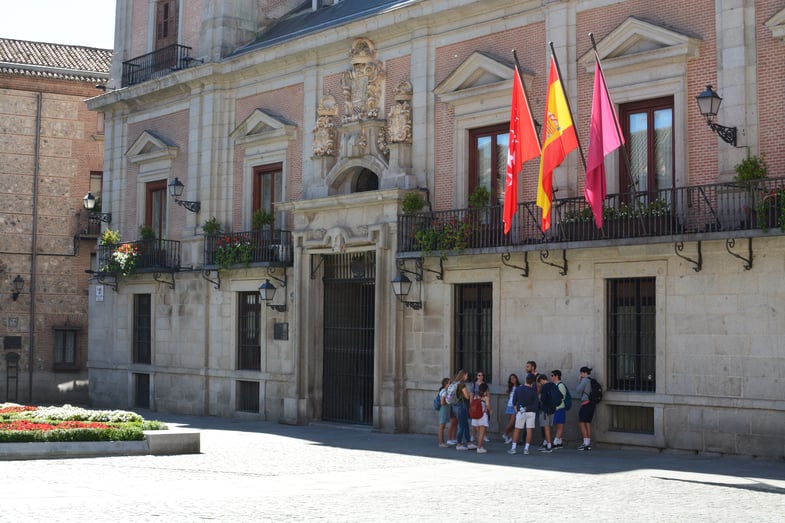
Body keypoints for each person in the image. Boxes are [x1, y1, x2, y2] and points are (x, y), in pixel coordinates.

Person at [507, 374, 538, 455]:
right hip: (531, 412)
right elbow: (536, 405)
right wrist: (527, 408)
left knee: (517, 429)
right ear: (533, 382)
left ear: (526, 379)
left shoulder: (518, 389)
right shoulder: (534, 392)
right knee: (529, 430)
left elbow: (514, 402)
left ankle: (513, 448)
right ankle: (526, 449)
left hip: (520, 411)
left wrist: (517, 411)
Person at [452, 369, 475, 451]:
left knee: (465, 425)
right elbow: (467, 397)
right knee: (462, 426)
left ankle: (469, 443)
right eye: (466, 375)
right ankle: (459, 444)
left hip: (457, 405)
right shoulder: (462, 385)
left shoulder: (455, 383)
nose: (467, 377)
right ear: (464, 375)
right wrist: (469, 393)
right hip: (462, 406)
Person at [536, 373, 559, 453]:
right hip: (553, 409)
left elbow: (543, 399)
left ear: (542, 380)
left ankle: (549, 446)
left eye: (540, 382)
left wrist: (539, 397)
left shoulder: (545, 387)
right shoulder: (553, 385)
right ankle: (547, 444)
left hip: (545, 410)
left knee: (546, 428)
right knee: (550, 427)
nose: (540, 384)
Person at [576, 366, 595, 451]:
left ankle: (585, 443)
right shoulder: (591, 380)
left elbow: (578, 390)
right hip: (592, 403)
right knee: (587, 423)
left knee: (581, 422)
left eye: (581, 373)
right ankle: (588, 443)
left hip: (585, 403)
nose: (580, 375)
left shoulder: (585, 380)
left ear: (584, 373)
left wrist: (579, 380)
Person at [471, 382, 492, 453]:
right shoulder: (486, 397)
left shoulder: (476, 396)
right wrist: (491, 411)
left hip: (475, 416)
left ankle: (479, 446)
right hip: (482, 416)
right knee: (482, 433)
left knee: (478, 432)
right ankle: (479, 448)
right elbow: (488, 406)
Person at [469, 371, 489, 443]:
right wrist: (471, 405)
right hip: (476, 402)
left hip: (483, 402)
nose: (480, 376)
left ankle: (483, 435)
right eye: (479, 375)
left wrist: (488, 402)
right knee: (475, 419)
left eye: (482, 375)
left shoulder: (485, 384)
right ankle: (473, 435)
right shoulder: (474, 384)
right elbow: (471, 394)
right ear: (477, 376)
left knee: (484, 420)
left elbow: (487, 394)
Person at [550, 370, 568, 449]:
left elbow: (561, 397)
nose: (551, 377)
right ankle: (559, 442)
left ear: (557, 376)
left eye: (552, 375)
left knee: (559, 426)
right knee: (557, 425)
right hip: (555, 408)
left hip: (560, 407)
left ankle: (555, 442)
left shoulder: (561, 385)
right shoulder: (555, 385)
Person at [502, 373, 520, 444]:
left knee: (513, 423)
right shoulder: (510, 387)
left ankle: (505, 434)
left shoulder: (519, 387)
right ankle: (511, 437)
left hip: (515, 406)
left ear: (516, 378)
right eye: (511, 379)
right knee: (511, 423)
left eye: (514, 378)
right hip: (509, 406)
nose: (512, 380)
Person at [437, 378, 451, 447]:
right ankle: (441, 442)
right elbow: (442, 402)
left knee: (442, 425)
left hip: (445, 409)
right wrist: (448, 401)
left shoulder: (445, 391)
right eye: (449, 383)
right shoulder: (444, 392)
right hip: (443, 409)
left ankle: (442, 442)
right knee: (441, 426)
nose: (450, 384)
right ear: (446, 384)